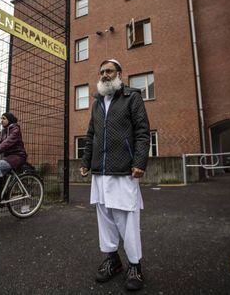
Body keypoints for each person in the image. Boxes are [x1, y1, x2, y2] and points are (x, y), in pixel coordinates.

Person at [80, 59, 150, 291]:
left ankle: (134, 265)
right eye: (101, 72)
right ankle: (112, 260)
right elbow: (90, 135)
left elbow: (142, 131)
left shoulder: (132, 97)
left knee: (127, 220)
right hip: (100, 171)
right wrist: (86, 162)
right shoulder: (98, 102)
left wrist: (139, 161)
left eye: (109, 71)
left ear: (119, 74)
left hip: (123, 170)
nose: (104, 75)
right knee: (105, 218)